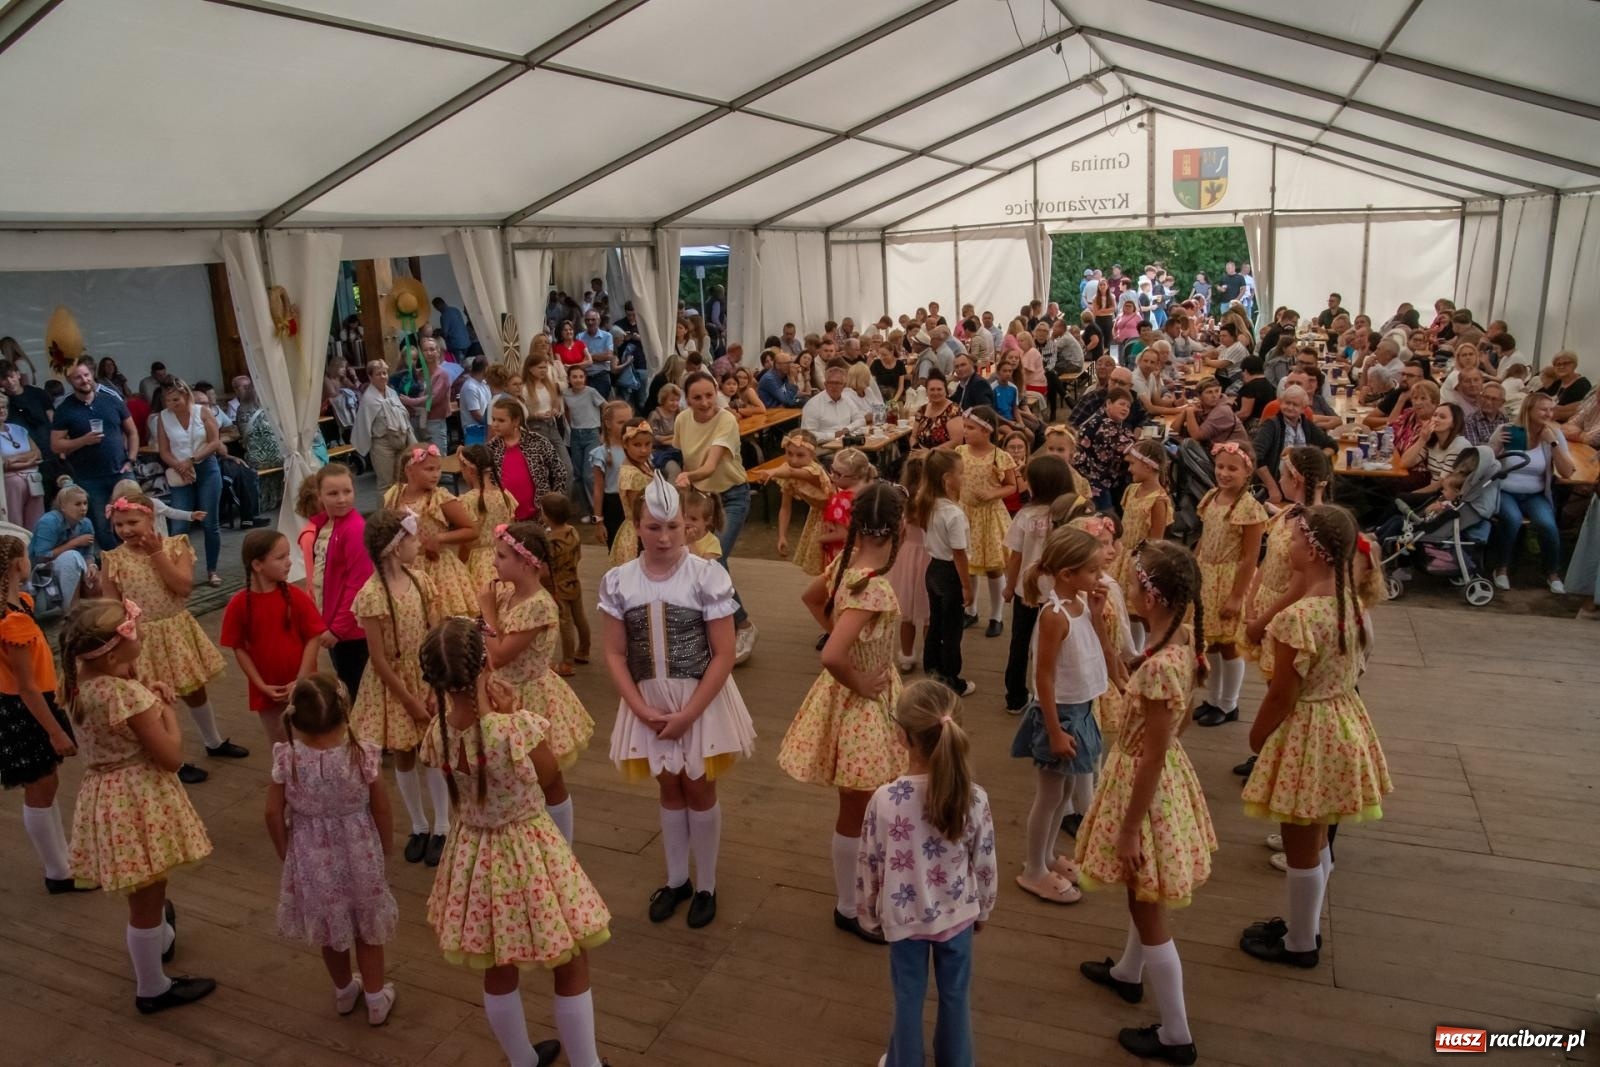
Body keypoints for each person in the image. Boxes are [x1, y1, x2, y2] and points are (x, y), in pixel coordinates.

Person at [417, 618, 608, 1067]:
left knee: (497, 965)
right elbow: (549, 775)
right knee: (571, 958)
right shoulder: (511, 727)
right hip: (529, 850)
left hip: (473, 857)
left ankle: (522, 1059)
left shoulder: (437, 734)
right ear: (485, 664)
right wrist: (512, 711)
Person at [1076, 540, 1215, 1065]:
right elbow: (1127, 678)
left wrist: (1131, 828)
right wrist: (1097, 625)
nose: (1126, 587)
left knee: (1146, 903)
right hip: (1154, 774)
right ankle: (1127, 975)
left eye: (1133, 582)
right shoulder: (1176, 640)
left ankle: (1177, 1034)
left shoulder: (1161, 666)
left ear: (1152, 597)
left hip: (1146, 783)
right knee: (1141, 892)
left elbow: (1154, 752)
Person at [600, 473, 757, 929]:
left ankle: (705, 883)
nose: (664, 536)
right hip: (647, 701)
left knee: (699, 785)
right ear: (636, 526)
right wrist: (638, 707)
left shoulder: (706, 576)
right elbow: (613, 651)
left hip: (699, 700)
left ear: (687, 527)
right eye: (653, 527)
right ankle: (676, 879)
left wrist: (690, 713)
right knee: (668, 785)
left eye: (672, 526)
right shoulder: (619, 581)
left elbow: (725, 652)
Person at [1240, 506, 1391, 971]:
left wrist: (1258, 735)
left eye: (1297, 540)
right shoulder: (1353, 605)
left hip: (1308, 730)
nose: (1290, 547)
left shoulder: (1299, 619)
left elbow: (1283, 693)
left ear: (1316, 551)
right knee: (1319, 834)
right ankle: (1305, 926)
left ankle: (1301, 942)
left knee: (1300, 839)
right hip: (1343, 719)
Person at [62, 598, 216, 1013]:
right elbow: (170, 757)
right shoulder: (125, 695)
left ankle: (160, 942)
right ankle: (152, 987)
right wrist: (164, 710)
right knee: (146, 899)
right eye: (134, 630)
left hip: (105, 794)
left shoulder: (77, 683)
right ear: (113, 652)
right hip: (138, 798)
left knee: (148, 887)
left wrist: (141, 692)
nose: (141, 634)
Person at [779, 484, 907, 941]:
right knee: (861, 804)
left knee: (864, 802)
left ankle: (862, 891)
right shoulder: (874, 588)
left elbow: (812, 599)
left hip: (855, 697)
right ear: (900, 528)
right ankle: (849, 905)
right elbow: (832, 656)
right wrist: (859, 674)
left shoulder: (846, 567)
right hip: (862, 701)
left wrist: (843, 638)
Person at [856, 680, 996, 1067]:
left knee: (908, 997)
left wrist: (868, 913)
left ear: (901, 736)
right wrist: (982, 909)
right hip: (958, 915)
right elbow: (984, 861)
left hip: (905, 922)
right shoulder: (975, 797)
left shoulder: (885, 801)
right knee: (955, 995)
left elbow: (870, 862)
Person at [266, 674, 399, 1025]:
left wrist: (284, 849)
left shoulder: (288, 758)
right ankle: (375, 999)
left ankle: (343, 992)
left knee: (331, 927)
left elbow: (271, 812)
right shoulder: (362, 754)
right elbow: (382, 807)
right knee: (367, 927)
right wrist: (385, 845)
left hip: (311, 857)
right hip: (361, 853)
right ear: (345, 712)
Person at [101, 491, 244, 784]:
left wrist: (156, 554)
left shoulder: (176, 546)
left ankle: (213, 741)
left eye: (132, 522)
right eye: (119, 525)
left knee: (195, 688)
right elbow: (111, 607)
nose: (126, 530)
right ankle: (172, 759)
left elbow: (183, 587)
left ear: (150, 517)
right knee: (155, 699)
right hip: (140, 638)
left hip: (176, 629)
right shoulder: (113, 560)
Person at [1010, 526, 1118, 905]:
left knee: (1068, 792)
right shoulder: (1054, 615)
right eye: (1091, 571)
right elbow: (1043, 675)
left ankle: (1049, 854)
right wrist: (1054, 731)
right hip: (1060, 715)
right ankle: (1033, 869)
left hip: (1082, 710)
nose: (1098, 577)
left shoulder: (1082, 606)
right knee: (1050, 795)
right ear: (1068, 574)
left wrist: (1099, 615)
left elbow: (1099, 647)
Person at [349, 508, 447, 868]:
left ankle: (443, 824)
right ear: (393, 547)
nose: (418, 542)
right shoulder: (372, 595)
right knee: (405, 753)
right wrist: (408, 700)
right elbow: (378, 660)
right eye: (412, 537)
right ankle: (419, 825)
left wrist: (434, 688)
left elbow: (436, 637)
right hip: (393, 687)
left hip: (426, 679)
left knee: (432, 750)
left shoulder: (422, 582)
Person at [478, 521, 594, 777]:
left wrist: (486, 611)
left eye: (501, 556)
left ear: (527, 564)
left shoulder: (537, 606)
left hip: (528, 698)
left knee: (540, 775)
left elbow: (498, 656)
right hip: (502, 691)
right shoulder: (508, 594)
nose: (494, 563)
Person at [0, 535, 82, 892]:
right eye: (25, 555)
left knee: (46, 781)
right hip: (24, 707)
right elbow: (27, 685)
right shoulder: (12, 621)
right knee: (40, 785)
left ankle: (61, 859)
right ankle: (57, 870)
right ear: (18, 564)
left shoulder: (23, 604)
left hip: (31, 702)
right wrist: (55, 730)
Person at [220, 530, 325, 746]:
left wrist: (301, 678)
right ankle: (284, 780)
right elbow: (238, 648)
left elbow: (314, 637)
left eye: (288, 555)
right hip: (268, 692)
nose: (288, 562)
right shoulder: (239, 605)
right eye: (281, 557)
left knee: (308, 744)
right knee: (280, 745)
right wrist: (260, 685)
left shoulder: (296, 597)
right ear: (257, 565)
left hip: (303, 687)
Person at [1192, 442, 1268, 728]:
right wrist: (1194, 563)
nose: (1224, 473)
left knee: (1229, 645)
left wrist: (1237, 596)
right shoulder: (1212, 497)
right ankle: (1213, 698)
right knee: (1209, 641)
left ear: (1247, 472)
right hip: (1207, 579)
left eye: (1232, 468)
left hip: (1230, 580)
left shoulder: (1249, 509)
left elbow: (1250, 556)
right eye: (1220, 466)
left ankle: (1229, 702)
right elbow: (1205, 536)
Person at [1000, 456, 1076, 713]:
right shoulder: (1072, 515)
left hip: (1028, 590)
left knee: (1019, 643)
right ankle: (1054, 695)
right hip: (1063, 593)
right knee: (1057, 646)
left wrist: (1009, 587)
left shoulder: (1025, 515)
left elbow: (1016, 556)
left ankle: (1015, 696)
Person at [294, 465, 372, 703]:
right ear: (319, 496)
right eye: (333, 493)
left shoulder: (354, 529)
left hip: (351, 629)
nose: (342, 499)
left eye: (347, 492)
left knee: (356, 686)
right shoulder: (325, 526)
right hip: (335, 624)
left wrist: (337, 627)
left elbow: (358, 583)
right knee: (348, 679)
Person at [50, 357, 138, 549]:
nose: (84, 380)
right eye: (77, 378)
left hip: (121, 471)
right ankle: (115, 566)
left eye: (86, 375)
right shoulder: (65, 409)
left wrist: (131, 459)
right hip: (89, 478)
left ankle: (139, 563)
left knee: (134, 516)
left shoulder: (112, 400)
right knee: (103, 525)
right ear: (70, 381)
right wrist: (83, 441)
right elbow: (56, 445)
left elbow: (132, 432)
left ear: (92, 375)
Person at [1491, 392, 1575, 593]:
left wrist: (1553, 443)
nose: (1549, 414)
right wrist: (1496, 445)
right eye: (1543, 409)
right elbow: (1485, 463)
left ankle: (1552, 572)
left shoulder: (1553, 434)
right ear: (1528, 410)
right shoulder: (1507, 430)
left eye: (1551, 409)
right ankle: (1501, 568)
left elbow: (1567, 471)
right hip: (1506, 490)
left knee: (1547, 525)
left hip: (1534, 493)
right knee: (1511, 520)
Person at [382, 445, 478, 617]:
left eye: (438, 469)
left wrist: (440, 538)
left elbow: (471, 530)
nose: (436, 474)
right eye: (429, 469)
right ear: (409, 470)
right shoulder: (394, 495)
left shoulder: (440, 497)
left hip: (437, 569)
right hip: (404, 568)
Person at [914, 450, 975, 696]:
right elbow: (959, 553)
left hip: (933, 569)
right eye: (961, 473)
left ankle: (932, 667)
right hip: (950, 572)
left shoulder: (927, 504)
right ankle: (952, 677)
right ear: (948, 478)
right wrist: (966, 586)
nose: (963, 477)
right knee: (952, 629)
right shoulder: (953, 514)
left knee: (936, 622)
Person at [154, 380, 225, 585]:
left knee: (210, 523)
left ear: (186, 396)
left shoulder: (202, 411)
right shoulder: (164, 417)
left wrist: (192, 461)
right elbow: (164, 451)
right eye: (167, 400)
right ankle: (178, 571)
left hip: (205, 467)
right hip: (180, 469)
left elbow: (214, 442)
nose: (172, 404)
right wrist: (180, 467)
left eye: (175, 399)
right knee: (179, 524)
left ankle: (212, 569)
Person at [955, 407, 1016, 636]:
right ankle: (971, 610)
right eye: (965, 427)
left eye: (970, 428)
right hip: (966, 514)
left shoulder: (999, 456)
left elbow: (1012, 485)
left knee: (993, 568)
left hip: (989, 516)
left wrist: (992, 494)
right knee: (968, 565)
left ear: (986, 430)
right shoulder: (960, 452)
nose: (966, 432)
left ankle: (996, 615)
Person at [1113, 440, 1172, 655]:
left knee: (1143, 612)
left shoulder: (1158, 500)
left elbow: (1157, 539)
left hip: (1143, 560)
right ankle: (1133, 652)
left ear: (1148, 466)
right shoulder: (1131, 490)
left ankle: (1148, 651)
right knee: (1128, 612)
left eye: (1132, 464)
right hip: (1124, 556)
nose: (1129, 469)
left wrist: (1144, 564)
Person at [488, 397, 571, 522]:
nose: (495, 424)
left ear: (516, 421)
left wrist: (552, 505)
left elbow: (560, 471)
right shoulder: (491, 448)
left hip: (537, 518)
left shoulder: (537, 442)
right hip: (505, 520)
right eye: (493, 419)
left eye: (501, 420)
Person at [1253, 385, 1336, 505]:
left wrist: (1315, 458)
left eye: (1295, 405)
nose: (1290, 407)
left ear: (1303, 409)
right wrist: (1272, 488)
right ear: (1280, 403)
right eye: (1287, 403)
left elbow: (1332, 445)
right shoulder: (1271, 425)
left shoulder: (1307, 425)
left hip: (1303, 485)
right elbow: (1256, 456)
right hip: (1278, 483)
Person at [538, 494, 589, 675]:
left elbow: (546, 567)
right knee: (580, 618)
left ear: (549, 516)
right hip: (574, 581)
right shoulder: (573, 531)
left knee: (565, 623)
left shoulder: (550, 540)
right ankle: (584, 650)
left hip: (558, 586)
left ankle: (567, 662)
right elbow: (578, 555)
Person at [29, 478, 98, 609]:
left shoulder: (86, 523)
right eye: (78, 504)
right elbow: (41, 556)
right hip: (41, 572)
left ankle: (92, 615)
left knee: (95, 576)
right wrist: (74, 543)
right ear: (63, 507)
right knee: (72, 557)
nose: (83, 508)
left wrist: (92, 566)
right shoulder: (49, 522)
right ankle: (70, 611)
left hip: (73, 566)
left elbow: (88, 554)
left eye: (85, 503)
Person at [351, 359, 414, 493]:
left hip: (400, 440)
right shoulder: (368, 399)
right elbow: (363, 424)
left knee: (402, 481)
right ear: (370, 377)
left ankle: (399, 512)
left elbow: (404, 415)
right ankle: (385, 514)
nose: (383, 376)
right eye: (378, 374)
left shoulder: (391, 393)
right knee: (386, 484)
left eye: (385, 373)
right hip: (382, 445)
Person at [1074, 387, 1139, 511]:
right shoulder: (1103, 423)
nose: (1125, 408)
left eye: (1128, 406)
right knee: (1108, 518)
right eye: (1122, 404)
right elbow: (1130, 450)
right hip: (1093, 481)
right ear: (1108, 403)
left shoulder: (1112, 421)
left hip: (1105, 478)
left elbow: (1131, 439)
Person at [606, 421, 656, 566]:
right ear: (625, 445)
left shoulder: (643, 464)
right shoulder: (632, 474)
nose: (644, 450)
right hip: (639, 533)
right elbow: (638, 512)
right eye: (637, 445)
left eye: (648, 444)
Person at [0, 391, 44, 527]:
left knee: (36, 523)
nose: (2, 411)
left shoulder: (19, 429)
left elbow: (37, 454)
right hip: (10, 484)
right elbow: (3, 464)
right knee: (15, 524)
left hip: (34, 480)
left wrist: (15, 459)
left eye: (4, 407)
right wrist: (30, 461)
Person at [800, 365, 867, 439]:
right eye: (830, 383)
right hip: (823, 447)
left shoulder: (847, 400)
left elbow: (861, 420)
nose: (834, 386)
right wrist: (833, 435)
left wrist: (847, 429)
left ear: (844, 385)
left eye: (838, 383)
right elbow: (806, 435)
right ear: (825, 384)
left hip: (846, 442)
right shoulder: (813, 405)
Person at [910, 371, 965, 451]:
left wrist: (930, 453)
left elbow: (956, 441)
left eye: (939, 389)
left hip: (943, 458)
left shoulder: (953, 410)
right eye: (932, 389)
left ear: (946, 391)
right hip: (920, 455)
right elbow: (913, 437)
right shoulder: (922, 410)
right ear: (927, 392)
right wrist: (915, 448)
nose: (935, 393)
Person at [459, 357, 492, 446]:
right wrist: (490, 425)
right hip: (474, 431)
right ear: (485, 369)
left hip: (485, 429)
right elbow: (476, 414)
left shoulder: (484, 384)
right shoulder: (470, 387)